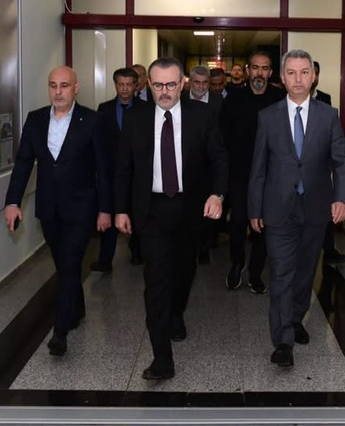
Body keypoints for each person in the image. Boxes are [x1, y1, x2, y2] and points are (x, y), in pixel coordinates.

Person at [115, 57, 228, 380]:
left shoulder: (202, 116)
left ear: (182, 84)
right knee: (155, 282)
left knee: (184, 271)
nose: (164, 91)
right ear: (148, 85)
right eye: (157, 85)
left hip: (190, 208)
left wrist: (217, 195)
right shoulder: (136, 118)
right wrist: (120, 209)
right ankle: (162, 357)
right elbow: (123, 167)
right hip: (151, 210)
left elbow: (219, 158)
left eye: (170, 84)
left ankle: (176, 312)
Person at [247, 49, 345, 367]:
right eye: (291, 73)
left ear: (313, 76)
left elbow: (341, 162)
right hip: (278, 209)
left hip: (316, 208)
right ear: (282, 77)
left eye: (304, 72)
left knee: (305, 273)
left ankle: (294, 319)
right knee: (281, 274)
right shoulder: (268, 117)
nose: (298, 79)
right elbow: (258, 168)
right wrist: (254, 209)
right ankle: (283, 342)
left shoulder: (328, 115)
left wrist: (341, 198)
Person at [4, 66, 112, 357]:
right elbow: (23, 163)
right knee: (65, 265)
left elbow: (103, 168)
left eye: (64, 85)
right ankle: (77, 307)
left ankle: (59, 331)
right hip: (49, 207)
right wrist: (12, 202)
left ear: (76, 88)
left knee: (70, 261)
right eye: (53, 85)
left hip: (82, 207)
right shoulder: (36, 119)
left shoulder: (92, 120)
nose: (58, 91)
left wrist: (105, 209)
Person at [220, 51, 285, 294]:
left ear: (271, 72)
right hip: (239, 174)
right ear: (248, 71)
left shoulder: (280, 100)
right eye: (255, 67)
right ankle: (237, 264)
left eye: (264, 68)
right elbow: (222, 137)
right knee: (238, 221)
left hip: (269, 175)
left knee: (262, 225)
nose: (259, 73)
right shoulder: (233, 99)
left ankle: (256, 272)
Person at [90, 67, 144, 273]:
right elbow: (99, 142)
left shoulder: (145, 108)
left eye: (129, 85)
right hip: (112, 173)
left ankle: (137, 251)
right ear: (115, 85)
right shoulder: (104, 109)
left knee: (138, 213)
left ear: (136, 86)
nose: (125, 89)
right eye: (121, 84)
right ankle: (105, 260)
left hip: (138, 173)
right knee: (110, 214)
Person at [181, 65, 224, 264]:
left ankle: (205, 247)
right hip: (185, 164)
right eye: (196, 82)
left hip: (209, 165)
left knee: (207, 208)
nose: (200, 86)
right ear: (189, 82)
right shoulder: (180, 100)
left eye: (204, 83)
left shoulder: (219, 102)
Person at [311, 60, 345, 264]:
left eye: (316, 73)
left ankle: (329, 250)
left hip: (322, 166)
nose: (313, 77)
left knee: (326, 209)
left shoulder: (325, 99)